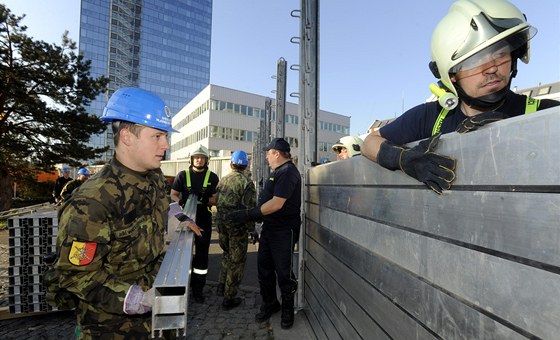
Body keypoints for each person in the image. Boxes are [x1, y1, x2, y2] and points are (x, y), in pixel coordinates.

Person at [361, 0, 560, 194]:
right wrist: (404, 160)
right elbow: (369, 142)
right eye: (475, 61)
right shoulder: (431, 117)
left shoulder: (546, 114)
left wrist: (521, 132)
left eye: (500, 54)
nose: (491, 68)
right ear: (452, 75)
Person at [53, 87, 201, 339]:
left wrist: (180, 216)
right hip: (111, 326)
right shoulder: (92, 201)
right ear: (127, 136)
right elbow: (75, 276)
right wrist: (136, 299)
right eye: (157, 136)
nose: (165, 144)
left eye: (165, 136)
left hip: (154, 314)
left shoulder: (152, 175)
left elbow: (163, 201)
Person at [229, 137, 301, 329]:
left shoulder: (287, 172)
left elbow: (277, 203)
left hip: (283, 232)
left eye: (268, 153)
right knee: (265, 270)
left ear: (276, 153)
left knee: (284, 273)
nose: (266, 158)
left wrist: (249, 214)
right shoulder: (277, 172)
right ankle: (270, 303)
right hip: (270, 230)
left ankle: (287, 309)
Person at [170, 144, 218, 303]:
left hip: (203, 219)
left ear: (206, 160)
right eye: (196, 157)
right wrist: (180, 202)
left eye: (202, 158)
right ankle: (181, 284)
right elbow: (174, 195)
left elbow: (216, 199)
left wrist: (206, 199)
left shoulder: (212, 177)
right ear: (192, 159)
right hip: (185, 220)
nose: (199, 160)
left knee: (202, 256)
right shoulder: (182, 175)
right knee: (182, 253)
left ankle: (198, 289)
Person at [215, 150, 257, 310]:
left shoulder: (223, 180)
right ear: (245, 165)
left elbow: (217, 202)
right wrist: (252, 230)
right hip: (237, 227)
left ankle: (221, 285)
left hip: (222, 225)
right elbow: (250, 208)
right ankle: (229, 297)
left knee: (226, 255)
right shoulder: (246, 183)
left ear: (231, 164)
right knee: (237, 261)